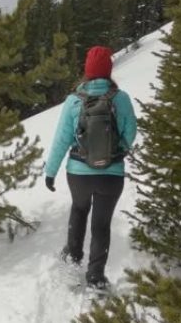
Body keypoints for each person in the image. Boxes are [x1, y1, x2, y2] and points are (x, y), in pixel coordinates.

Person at [44, 45, 137, 290]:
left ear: (86, 71)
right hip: (111, 174)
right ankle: (95, 278)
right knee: (101, 225)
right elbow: (130, 132)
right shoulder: (121, 99)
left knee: (79, 209)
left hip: (78, 173)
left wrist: (50, 172)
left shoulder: (74, 100)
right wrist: (118, 151)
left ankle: (73, 257)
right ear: (108, 71)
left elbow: (62, 139)